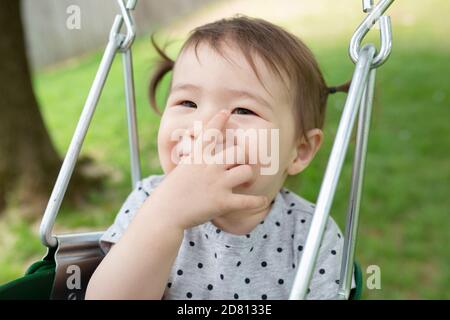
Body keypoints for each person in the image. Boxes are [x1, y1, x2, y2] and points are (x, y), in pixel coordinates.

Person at [86, 15, 352, 300]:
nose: (204, 129)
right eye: (187, 103)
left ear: (300, 151)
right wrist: (164, 217)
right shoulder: (149, 202)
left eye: (243, 110)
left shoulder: (312, 235)